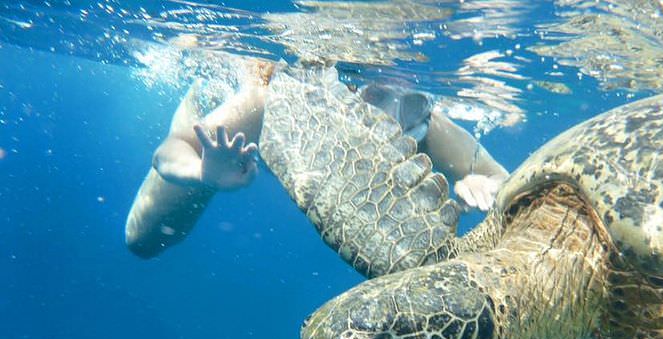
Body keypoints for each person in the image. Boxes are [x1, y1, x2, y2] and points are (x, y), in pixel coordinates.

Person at [125, 59, 508, 258]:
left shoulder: (413, 114)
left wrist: (485, 185)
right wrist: (202, 172)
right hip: (221, 146)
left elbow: (503, 180)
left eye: (396, 84)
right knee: (144, 241)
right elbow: (169, 151)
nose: (382, 102)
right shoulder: (269, 100)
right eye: (363, 91)